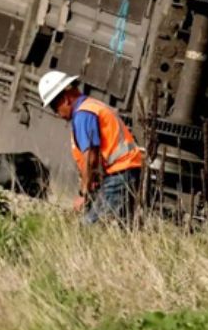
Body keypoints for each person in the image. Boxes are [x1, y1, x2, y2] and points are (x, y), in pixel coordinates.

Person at [38, 70, 144, 224]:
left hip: (119, 175)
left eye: (55, 107)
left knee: (89, 227)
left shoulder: (83, 115)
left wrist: (83, 193)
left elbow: (91, 157)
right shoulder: (92, 106)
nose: (57, 114)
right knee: (120, 226)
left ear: (65, 99)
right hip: (124, 173)